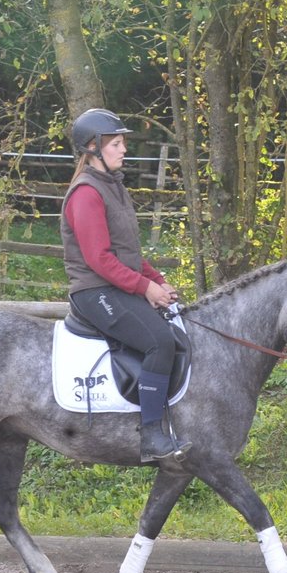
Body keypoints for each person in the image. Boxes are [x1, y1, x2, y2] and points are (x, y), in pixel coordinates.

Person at [60, 107, 191, 463]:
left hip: (116, 285)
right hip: (94, 291)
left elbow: (128, 254)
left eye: (122, 144)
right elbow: (99, 259)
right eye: (116, 144)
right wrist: (146, 289)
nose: (123, 150)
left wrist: (158, 281)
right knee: (159, 342)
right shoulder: (86, 194)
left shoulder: (114, 188)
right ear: (93, 148)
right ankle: (151, 435)